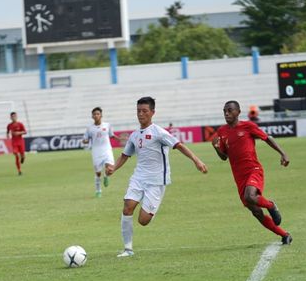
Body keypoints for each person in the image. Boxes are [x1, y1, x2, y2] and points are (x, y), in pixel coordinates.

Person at [107, 97, 208, 257]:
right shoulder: (134, 135)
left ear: (152, 112)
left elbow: (179, 146)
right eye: (138, 111)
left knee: (143, 220)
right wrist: (113, 168)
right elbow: (124, 156)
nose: (141, 114)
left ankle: (150, 211)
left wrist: (197, 160)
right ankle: (128, 249)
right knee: (127, 207)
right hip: (139, 177)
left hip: (156, 181)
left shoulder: (159, 133)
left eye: (144, 111)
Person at [212, 100, 292, 245]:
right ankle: (284, 235)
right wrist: (216, 148)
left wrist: (283, 153)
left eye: (230, 110)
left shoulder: (248, 126)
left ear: (238, 112)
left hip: (253, 170)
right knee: (256, 212)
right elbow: (224, 157)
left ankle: (271, 205)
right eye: (224, 111)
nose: (227, 113)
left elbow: (267, 138)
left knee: (250, 196)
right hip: (239, 177)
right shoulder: (222, 132)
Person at [82, 107, 118, 197]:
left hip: (107, 150)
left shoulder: (107, 125)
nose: (96, 115)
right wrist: (85, 141)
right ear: (92, 116)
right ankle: (98, 190)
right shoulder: (89, 128)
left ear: (101, 115)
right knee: (98, 173)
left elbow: (111, 135)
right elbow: (85, 139)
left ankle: (106, 176)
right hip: (96, 152)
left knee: (110, 168)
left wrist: (120, 138)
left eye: (98, 114)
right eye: (94, 114)